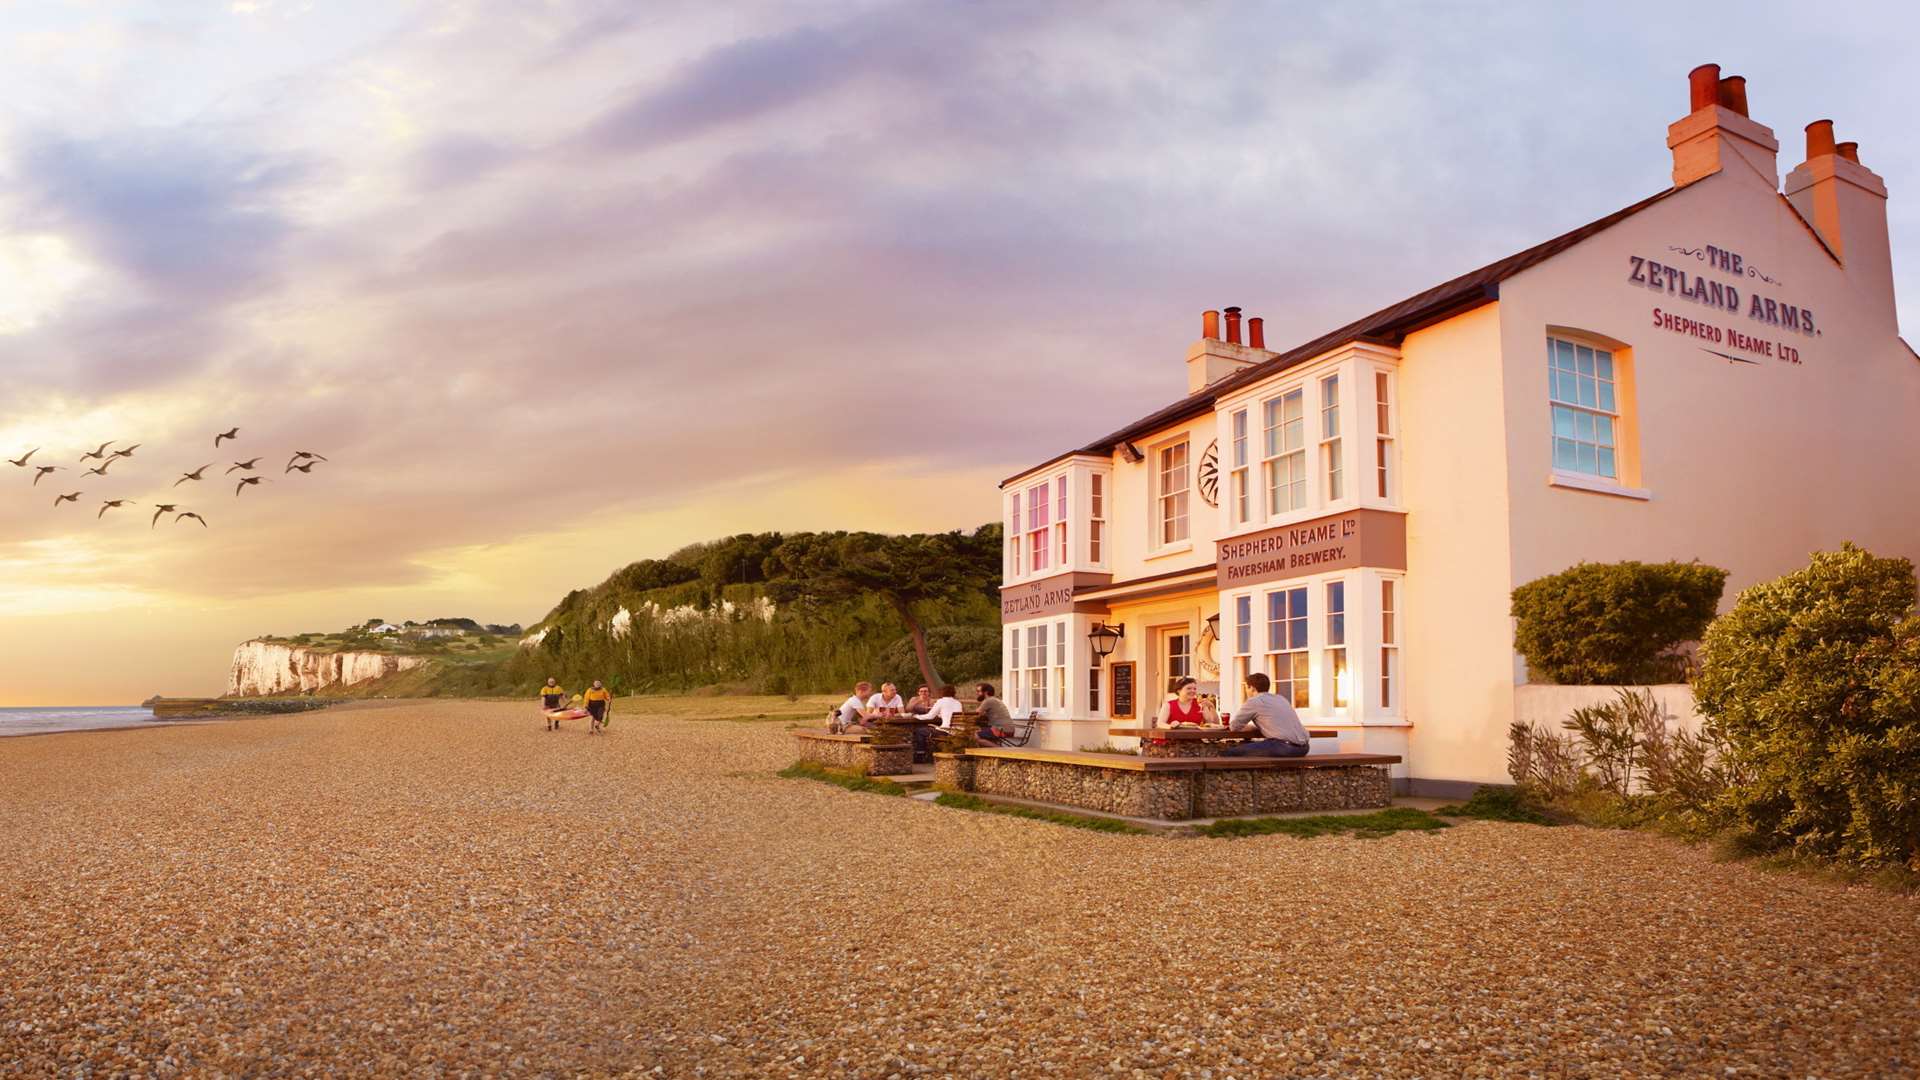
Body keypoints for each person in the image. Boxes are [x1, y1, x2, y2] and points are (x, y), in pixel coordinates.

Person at [1222, 672, 1311, 757]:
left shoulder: (1254, 701)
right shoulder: (1280, 698)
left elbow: (1234, 727)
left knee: (1230, 752)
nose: (1246, 691)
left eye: (1246, 688)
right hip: (1304, 748)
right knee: (1254, 747)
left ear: (1252, 688)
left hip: (1284, 747)